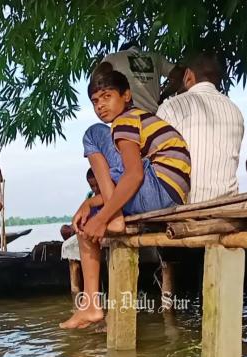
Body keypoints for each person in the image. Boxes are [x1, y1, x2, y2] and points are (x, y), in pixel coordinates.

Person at [60, 63, 190, 330]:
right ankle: (91, 306)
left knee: (92, 134)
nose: (100, 106)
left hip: (158, 186)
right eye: (95, 101)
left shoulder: (126, 121)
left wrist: (106, 217)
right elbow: (128, 181)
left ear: (126, 95)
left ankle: (115, 216)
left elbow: (134, 176)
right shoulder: (134, 122)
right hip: (166, 193)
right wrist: (91, 204)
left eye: (107, 96)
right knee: (86, 223)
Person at [157, 53, 245, 204]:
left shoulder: (172, 106)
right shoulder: (235, 110)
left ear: (188, 76)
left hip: (187, 205)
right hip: (228, 203)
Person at [101, 44, 183, 113]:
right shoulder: (156, 58)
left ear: (122, 51)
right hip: (154, 117)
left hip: (128, 116)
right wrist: (163, 97)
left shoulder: (114, 58)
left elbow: (98, 81)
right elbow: (180, 75)